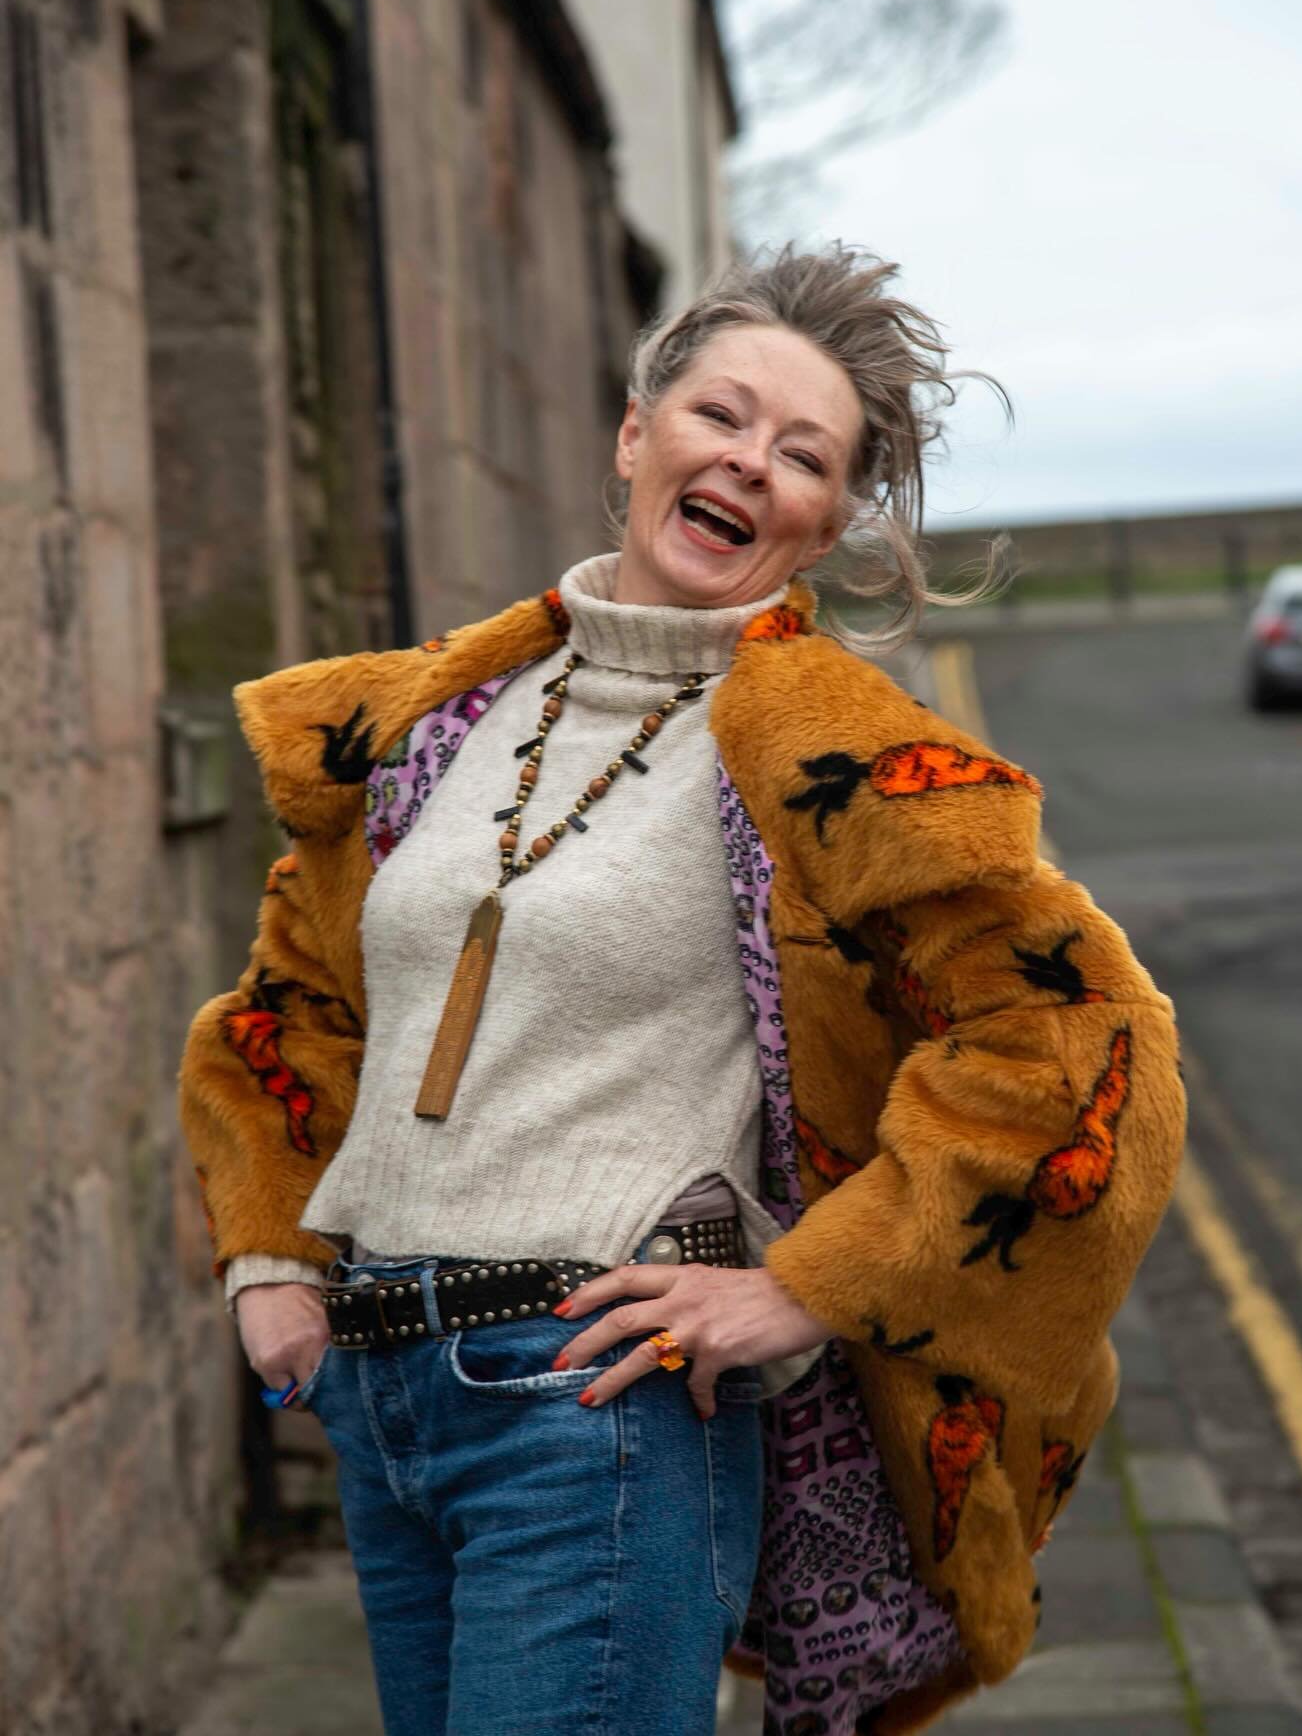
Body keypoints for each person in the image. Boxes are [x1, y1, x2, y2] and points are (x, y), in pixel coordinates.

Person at [179, 244, 1186, 1736]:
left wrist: (799, 1287)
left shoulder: (830, 754)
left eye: (804, 456)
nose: (749, 465)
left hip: (595, 1415)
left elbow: (1084, 1045)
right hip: (383, 1402)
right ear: (636, 430)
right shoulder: (441, 720)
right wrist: (272, 1265)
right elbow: (300, 1001)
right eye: (722, 415)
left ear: (832, 521)